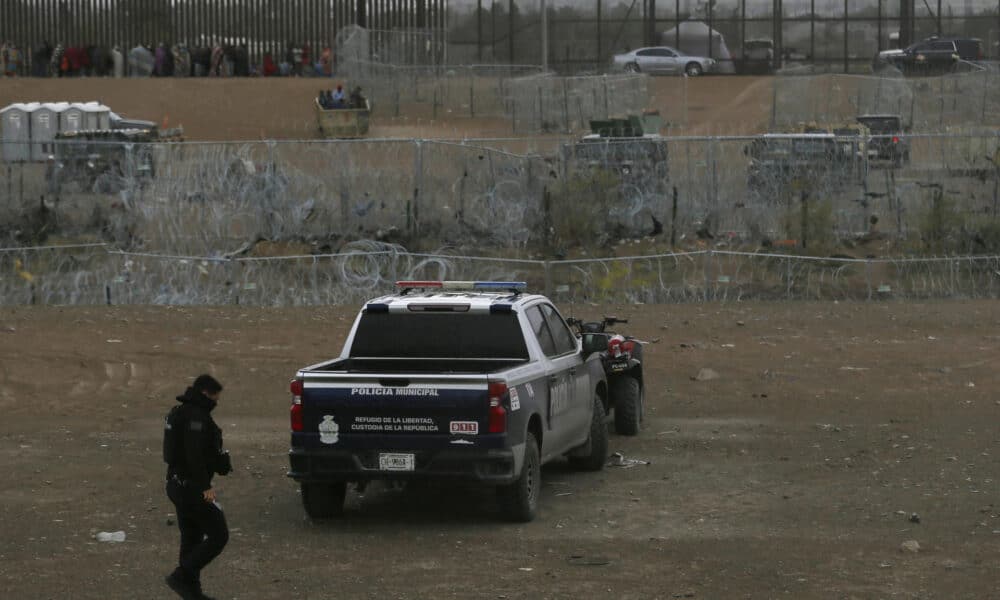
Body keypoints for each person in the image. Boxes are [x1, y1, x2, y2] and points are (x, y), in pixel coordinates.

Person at [163, 374, 232, 600]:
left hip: (177, 485)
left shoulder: (181, 412)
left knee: (191, 537)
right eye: (214, 397)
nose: (216, 402)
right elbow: (193, 454)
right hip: (191, 487)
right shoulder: (196, 417)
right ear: (205, 393)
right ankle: (182, 576)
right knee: (219, 534)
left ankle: (192, 593)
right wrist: (205, 487)